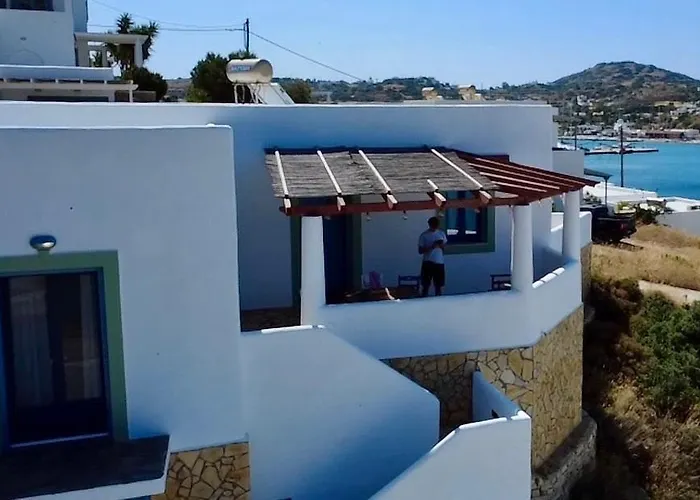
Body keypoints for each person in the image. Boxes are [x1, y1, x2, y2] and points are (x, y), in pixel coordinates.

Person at [418, 216, 447, 296]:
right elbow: (420, 251)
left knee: (438, 286)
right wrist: (432, 247)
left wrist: (440, 245)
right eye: (433, 224)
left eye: (436, 224)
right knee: (425, 285)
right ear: (430, 224)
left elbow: (445, 247)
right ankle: (424, 300)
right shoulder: (424, 235)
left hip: (439, 262)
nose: (435, 226)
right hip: (428, 261)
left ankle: (439, 301)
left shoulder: (441, 233)